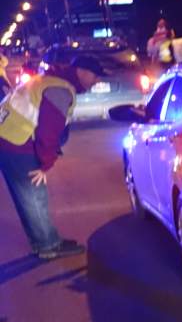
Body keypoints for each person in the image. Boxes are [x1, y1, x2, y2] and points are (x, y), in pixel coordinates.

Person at [0, 54, 105, 260]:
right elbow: (48, 133)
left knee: (26, 198)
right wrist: (45, 164)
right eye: (95, 76)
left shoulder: (49, 80)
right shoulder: (60, 90)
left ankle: (42, 242)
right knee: (34, 198)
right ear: (82, 72)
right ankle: (48, 246)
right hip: (17, 144)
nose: (97, 81)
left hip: (8, 139)